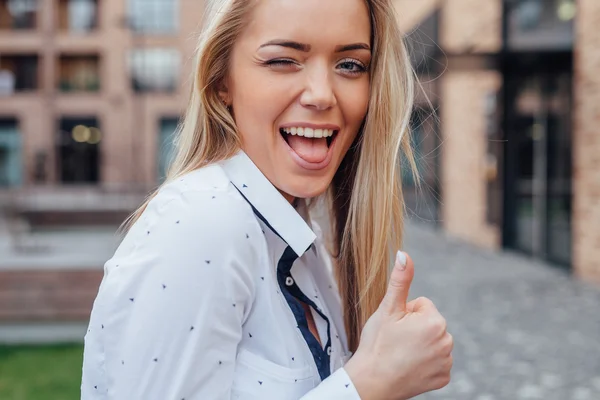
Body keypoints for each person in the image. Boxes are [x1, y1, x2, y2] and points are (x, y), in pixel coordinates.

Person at [80, 0, 453, 398]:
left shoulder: (301, 243)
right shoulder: (202, 223)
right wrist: (368, 384)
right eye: (283, 60)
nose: (322, 95)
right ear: (222, 79)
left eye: (350, 65)